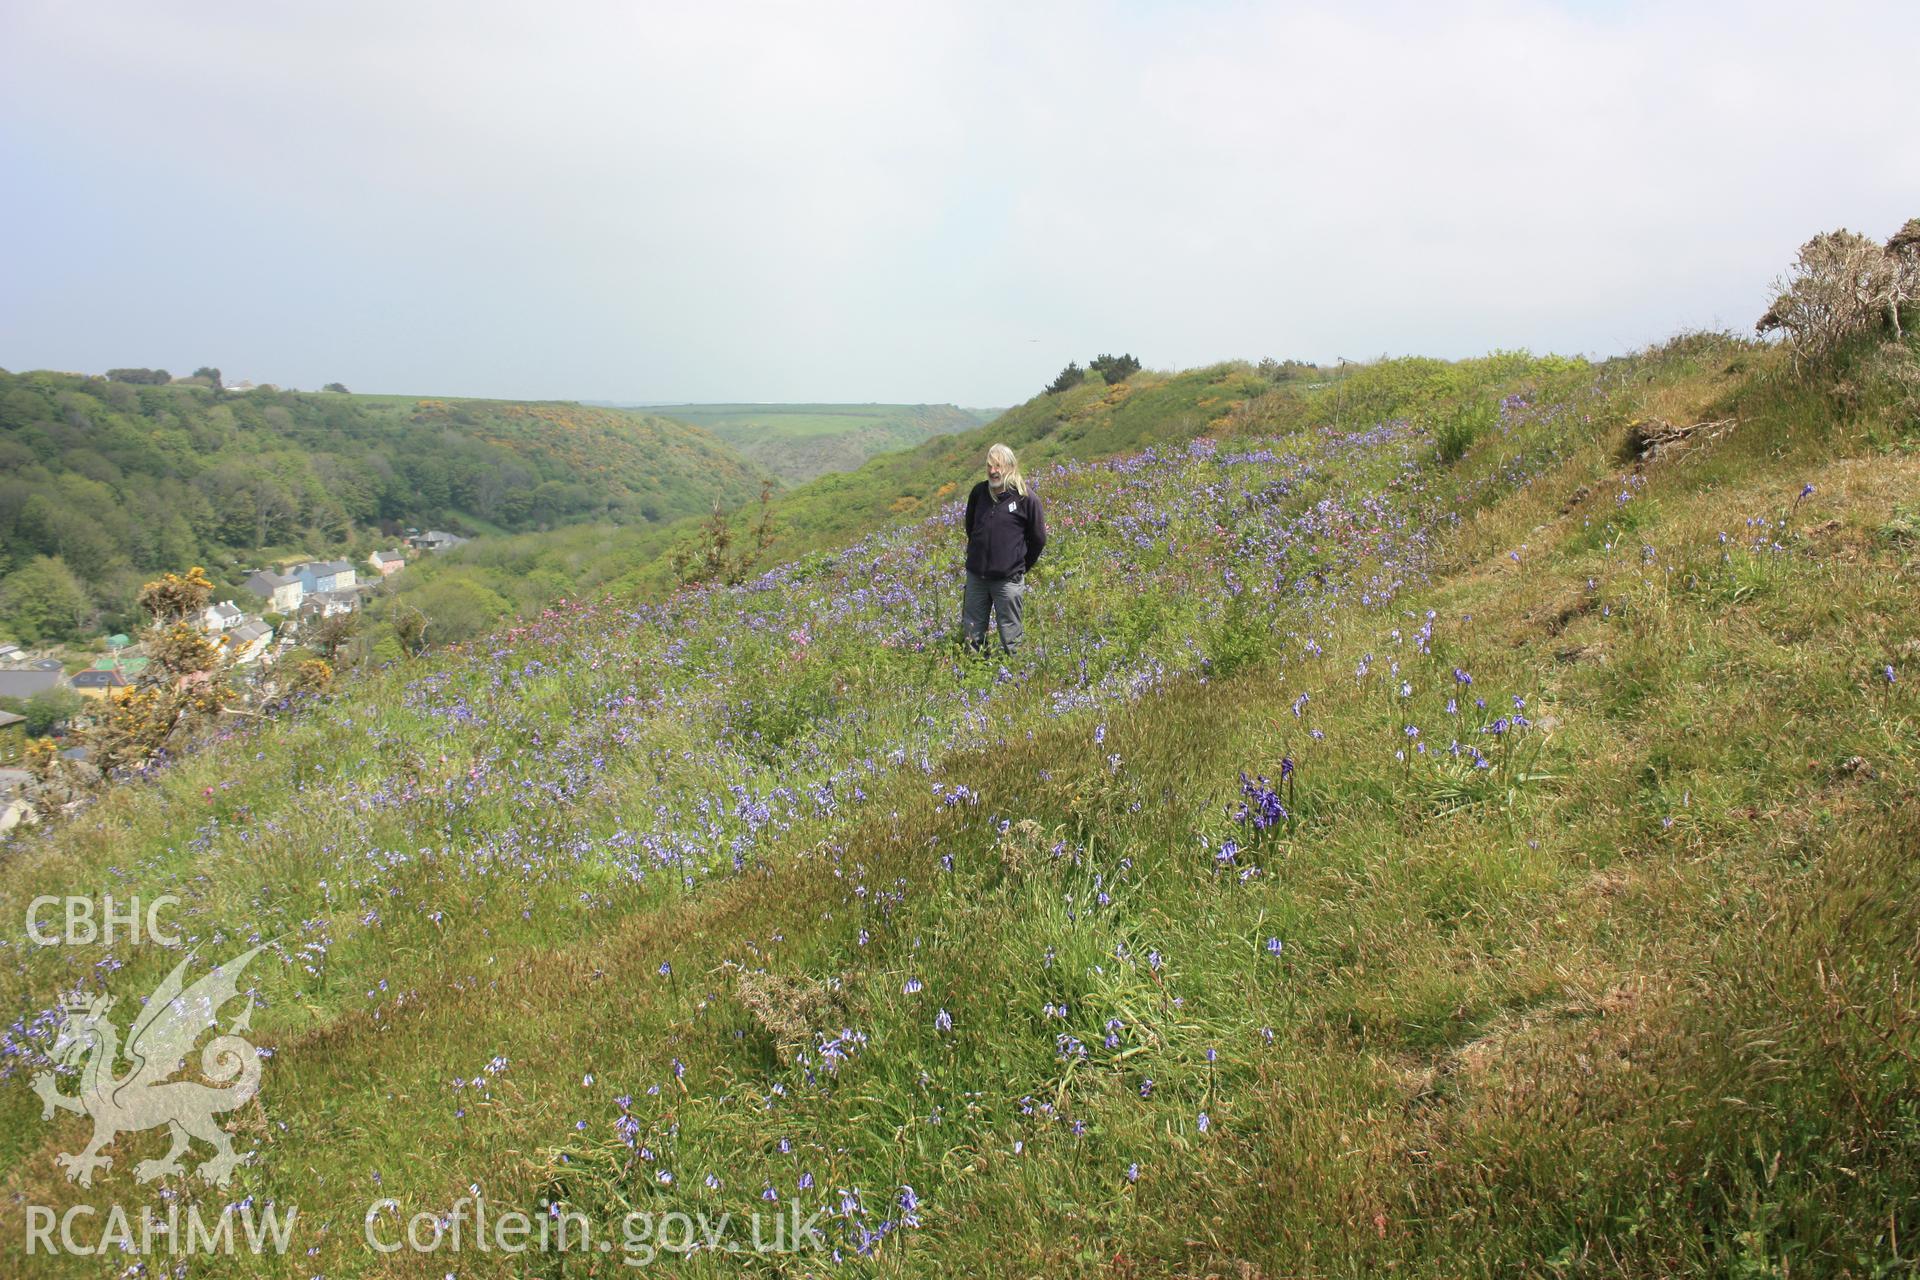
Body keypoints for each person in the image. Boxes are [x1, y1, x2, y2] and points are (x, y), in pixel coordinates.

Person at [961, 443, 1047, 654]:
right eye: (990, 465)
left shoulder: (1025, 498)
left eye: (998, 465)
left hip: (1007, 580)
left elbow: (1038, 539)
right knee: (972, 634)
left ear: (1010, 466)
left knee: (1011, 637)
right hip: (977, 578)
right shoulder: (978, 493)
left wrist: (1018, 566)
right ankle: (974, 676)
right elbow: (971, 528)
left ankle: (1013, 681)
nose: (993, 471)